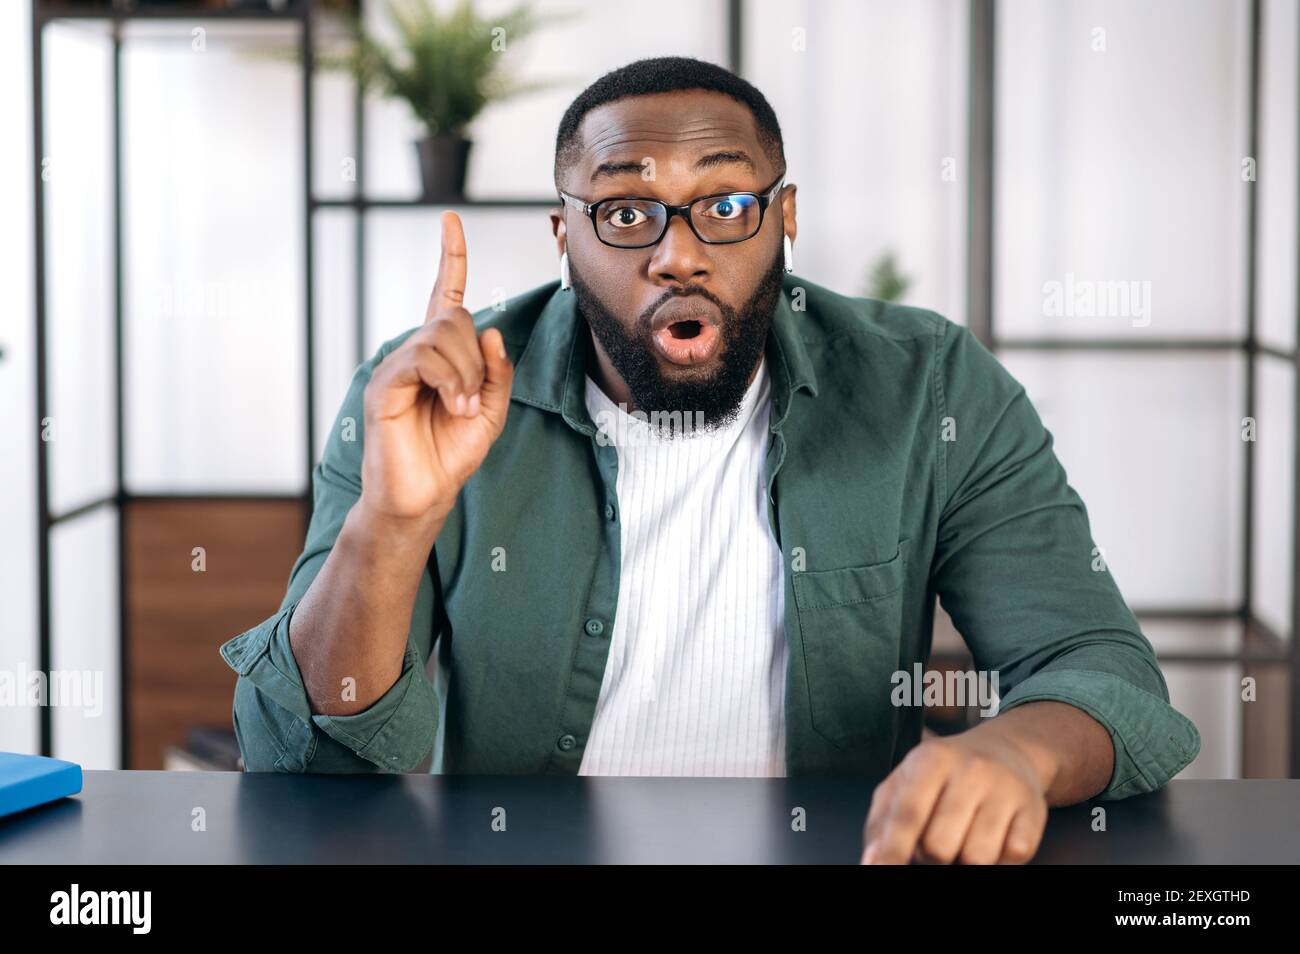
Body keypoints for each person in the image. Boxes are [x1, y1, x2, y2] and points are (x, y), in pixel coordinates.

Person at [220, 56, 1199, 864]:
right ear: (564, 234)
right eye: (626, 212)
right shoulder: (431, 394)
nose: (678, 255)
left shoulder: (928, 389)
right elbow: (302, 760)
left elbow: (1101, 670)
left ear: (784, 216)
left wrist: (1015, 753)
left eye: (726, 204)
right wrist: (388, 528)